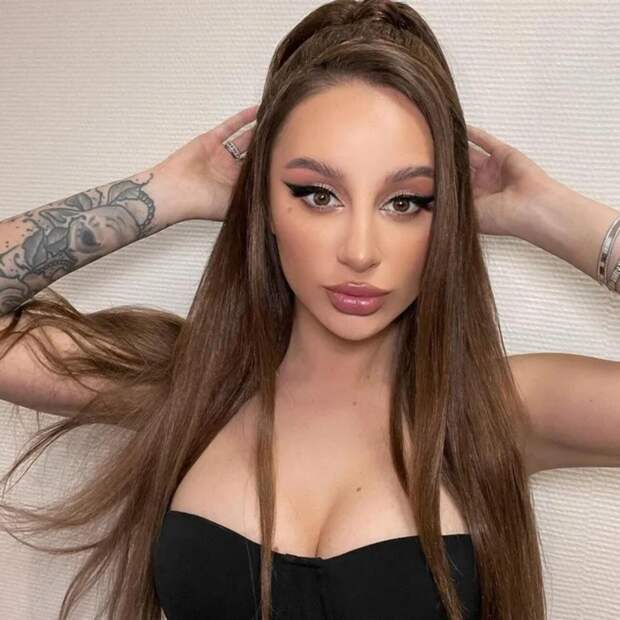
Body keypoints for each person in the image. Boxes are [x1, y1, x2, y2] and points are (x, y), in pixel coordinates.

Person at [1, 1, 619, 619]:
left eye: (407, 202)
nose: (360, 251)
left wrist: (547, 214)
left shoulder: (499, 408)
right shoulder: (189, 388)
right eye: (318, 195)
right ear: (264, 202)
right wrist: (167, 192)